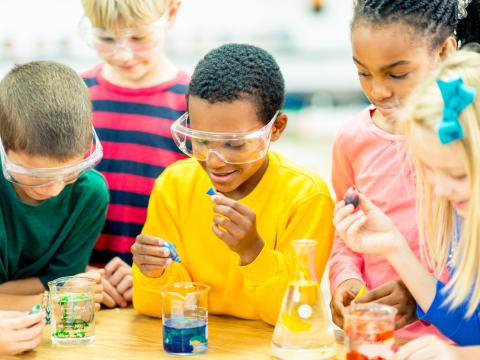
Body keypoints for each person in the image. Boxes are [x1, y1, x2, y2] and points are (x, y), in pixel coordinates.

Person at [131, 43, 334, 325]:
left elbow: (295, 315)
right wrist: (153, 272)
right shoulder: (174, 185)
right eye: (201, 141)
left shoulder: (306, 197)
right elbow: (152, 305)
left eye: (235, 144)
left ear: (276, 129)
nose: (215, 161)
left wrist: (252, 251)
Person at [329, 0, 480, 339]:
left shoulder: (458, 140)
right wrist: (346, 277)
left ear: (444, 52)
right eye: (363, 72)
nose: (378, 91)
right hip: (385, 339)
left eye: (397, 74)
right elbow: (347, 234)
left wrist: (422, 295)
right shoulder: (352, 140)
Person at [80, 0, 188, 308]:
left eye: (139, 38)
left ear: (171, 13)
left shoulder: (194, 106)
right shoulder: (75, 96)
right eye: (106, 38)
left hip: (160, 294)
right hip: (84, 291)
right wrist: (76, 272)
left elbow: (196, 211)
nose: (123, 54)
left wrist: (152, 275)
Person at [0, 61, 106, 311]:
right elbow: (63, 289)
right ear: (4, 147)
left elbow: (60, 281)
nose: (53, 190)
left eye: (69, 173)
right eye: (35, 175)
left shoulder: (88, 193)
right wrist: (55, 297)